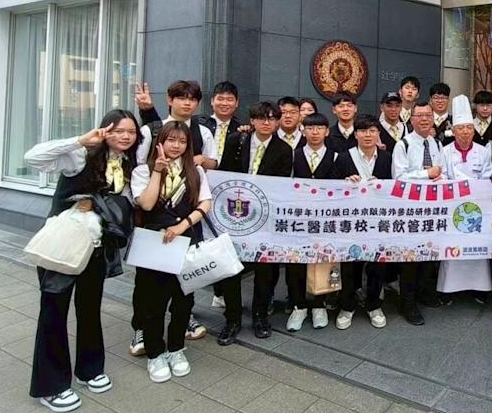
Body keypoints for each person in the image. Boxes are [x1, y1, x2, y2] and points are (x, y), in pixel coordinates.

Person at [23, 110, 140, 412]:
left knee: (89, 308)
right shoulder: (80, 156)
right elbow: (33, 157)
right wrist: (79, 140)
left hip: (96, 248)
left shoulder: (127, 165)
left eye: (131, 132)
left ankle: (89, 370)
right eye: (119, 131)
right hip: (63, 246)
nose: (125, 136)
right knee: (53, 311)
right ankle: (51, 386)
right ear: (105, 131)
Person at [130, 80, 218, 353]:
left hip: (186, 224)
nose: (187, 103)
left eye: (192, 98)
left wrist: (201, 162)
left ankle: (180, 330)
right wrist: (157, 170)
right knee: (147, 286)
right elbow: (140, 168)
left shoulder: (202, 133)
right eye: (181, 97)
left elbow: (212, 165)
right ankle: (142, 330)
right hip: (153, 227)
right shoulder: (151, 129)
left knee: (184, 286)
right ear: (170, 99)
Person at [217, 102, 293, 345]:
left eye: (271, 118)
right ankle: (232, 319)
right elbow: (223, 174)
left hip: (265, 218)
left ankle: (260, 316)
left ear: (278, 122)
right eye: (261, 118)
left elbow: (280, 185)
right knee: (231, 268)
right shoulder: (236, 141)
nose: (266, 122)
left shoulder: (284, 149)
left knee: (265, 270)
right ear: (252, 120)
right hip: (235, 216)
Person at [334, 114, 392, 329]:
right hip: (351, 221)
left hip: (379, 221)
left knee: (377, 264)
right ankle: (347, 306)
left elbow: (396, 187)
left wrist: (383, 185)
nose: (368, 135)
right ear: (356, 134)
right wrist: (344, 183)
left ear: (378, 134)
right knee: (349, 264)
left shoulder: (387, 158)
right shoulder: (344, 158)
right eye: (363, 131)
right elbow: (331, 188)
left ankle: (374, 305)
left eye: (372, 131)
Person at [391, 101, 446, 325]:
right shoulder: (403, 144)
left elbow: (441, 171)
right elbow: (399, 178)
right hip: (410, 210)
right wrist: (426, 174)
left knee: (429, 255)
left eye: (428, 115)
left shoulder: (437, 144)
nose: (424, 119)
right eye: (419, 115)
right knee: (410, 259)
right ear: (411, 119)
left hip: (432, 208)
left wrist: (439, 177)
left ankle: (424, 293)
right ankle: (407, 303)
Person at [438, 95, 492, 301]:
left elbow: (487, 178)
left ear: (474, 130)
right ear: (453, 131)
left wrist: (471, 190)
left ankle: (479, 289)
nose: (465, 132)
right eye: (460, 128)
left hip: (477, 208)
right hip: (452, 207)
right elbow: (442, 177)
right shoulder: (444, 151)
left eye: (469, 128)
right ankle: (448, 291)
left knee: (476, 249)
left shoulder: (483, 151)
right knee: (452, 249)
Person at [288, 112, 338, 331]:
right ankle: (299, 306)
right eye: (310, 128)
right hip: (299, 219)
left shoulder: (336, 157)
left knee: (324, 261)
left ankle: (319, 305)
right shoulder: (294, 155)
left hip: (325, 221)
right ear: (303, 130)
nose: (314, 132)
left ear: (327, 131)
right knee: (296, 262)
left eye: (319, 128)